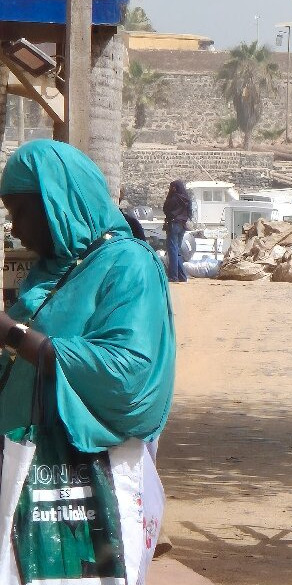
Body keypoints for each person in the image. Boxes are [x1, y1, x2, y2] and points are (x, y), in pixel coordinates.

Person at [0, 139, 175, 455]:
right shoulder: (49, 272)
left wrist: (13, 334)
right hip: (23, 467)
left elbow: (126, 375)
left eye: (21, 211)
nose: (14, 228)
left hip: (90, 478)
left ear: (59, 202)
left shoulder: (128, 264)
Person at [163, 179, 192, 283]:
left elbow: (166, 209)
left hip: (174, 224)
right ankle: (182, 276)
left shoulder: (173, 199)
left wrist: (169, 195)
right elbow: (190, 213)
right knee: (177, 251)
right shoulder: (187, 199)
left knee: (172, 251)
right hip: (182, 225)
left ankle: (173, 276)